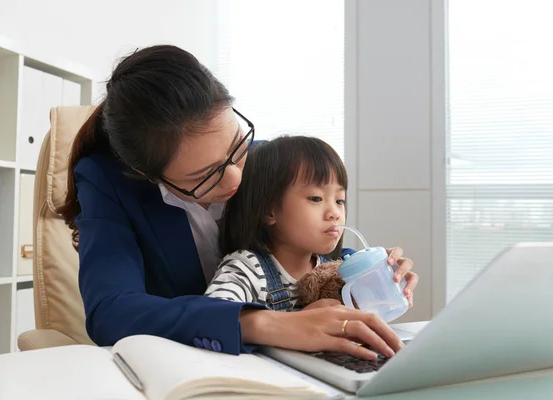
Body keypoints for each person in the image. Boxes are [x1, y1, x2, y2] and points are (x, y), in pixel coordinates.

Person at [61, 44, 417, 361]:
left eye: (236, 146)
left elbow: (309, 250)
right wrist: (264, 324)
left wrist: (368, 274)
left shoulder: (266, 163)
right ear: (147, 173)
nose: (235, 178)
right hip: (191, 365)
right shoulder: (108, 180)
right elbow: (111, 311)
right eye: (206, 174)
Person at [205, 136, 417, 315]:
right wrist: (299, 321)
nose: (334, 213)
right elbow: (211, 317)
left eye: (339, 200)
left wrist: (385, 280)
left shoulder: (338, 268)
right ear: (269, 211)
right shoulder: (247, 269)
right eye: (316, 198)